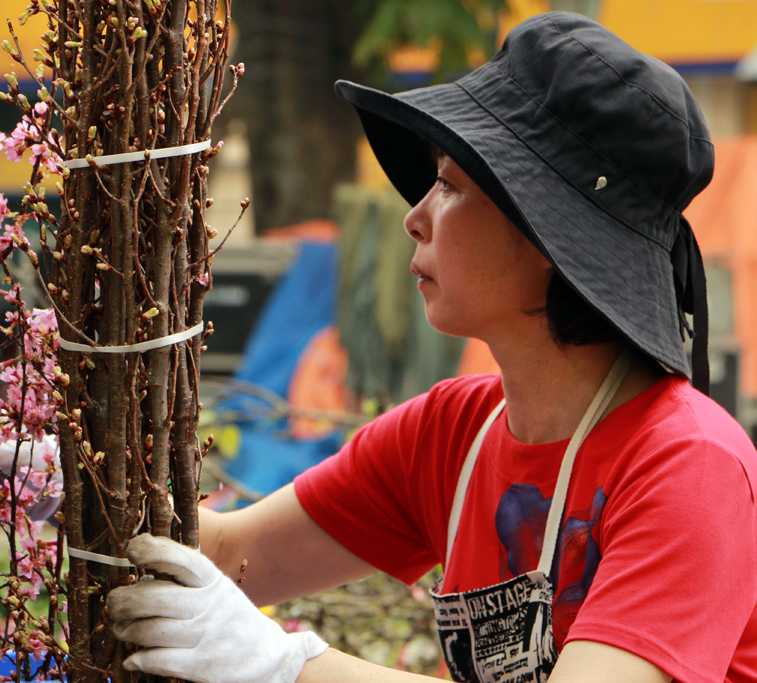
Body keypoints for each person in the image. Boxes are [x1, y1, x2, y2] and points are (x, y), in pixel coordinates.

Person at [106, 12, 757, 683]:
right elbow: (233, 555)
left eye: (448, 184)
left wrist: (286, 666)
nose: (414, 217)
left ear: (546, 238)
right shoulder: (452, 434)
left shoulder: (689, 466)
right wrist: (74, 462)